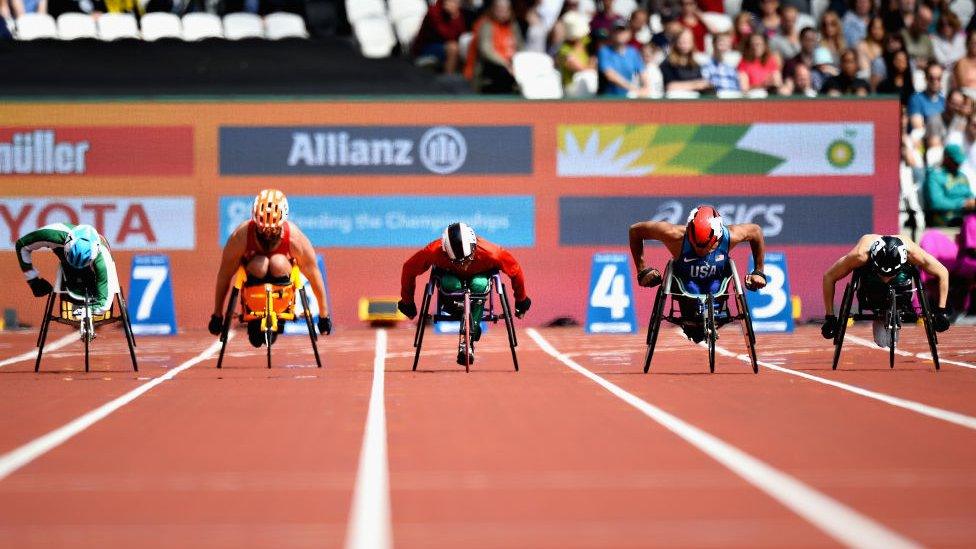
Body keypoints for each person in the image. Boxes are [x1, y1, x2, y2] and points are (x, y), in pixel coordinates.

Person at [210, 189, 332, 348]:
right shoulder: (240, 236)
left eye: (273, 229)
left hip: (282, 291)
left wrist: (324, 315)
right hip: (253, 288)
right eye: (262, 228)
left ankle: (279, 318)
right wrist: (217, 314)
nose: (267, 233)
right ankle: (255, 320)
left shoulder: (295, 238)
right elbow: (224, 275)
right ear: (255, 220)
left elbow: (314, 274)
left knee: (278, 261)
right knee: (260, 264)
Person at [628, 205, 767, 342]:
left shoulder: (729, 236)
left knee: (714, 287)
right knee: (692, 288)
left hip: (717, 286)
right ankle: (695, 323)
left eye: (705, 246)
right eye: (695, 244)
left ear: (717, 237)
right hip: (686, 287)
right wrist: (642, 271)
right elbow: (635, 231)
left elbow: (756, 231)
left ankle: (712, 317)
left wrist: (759, 271)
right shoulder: (674, 234)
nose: (700, 251)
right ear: (689, 232)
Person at [397, 222, 531, 365]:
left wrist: (521, 300)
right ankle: (460, 314)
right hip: (450, 279)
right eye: (457, 261)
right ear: (445, 251)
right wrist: (407, 301)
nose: (463, 265)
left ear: (474, 247)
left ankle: (471, 332)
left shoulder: (492, 253)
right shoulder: (433, 251)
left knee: (479, 284)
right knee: (451, 284)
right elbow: (409, 268)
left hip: (478, 277)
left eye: (467, 259)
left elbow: (515, 270)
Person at [821, 234, 952, 347]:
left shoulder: (913, 253)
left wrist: (941, 311)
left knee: (885, 341)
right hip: (871, 288)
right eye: (882, 274)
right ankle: (879, 314)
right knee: (882, 341)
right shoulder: (860, 255)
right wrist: (830, 317)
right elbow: (829, 276)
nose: (886, 279)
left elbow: (943, 272)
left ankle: (893, 305)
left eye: (890, 275)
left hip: (901, 288)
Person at [15, 223, 113, 317]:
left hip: (93, 271)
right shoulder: (52, 234)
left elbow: (104, 304)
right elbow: (22, 245)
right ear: (67, 243)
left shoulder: (103, 256)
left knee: (103, 287)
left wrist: (87, 310)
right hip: (67, 268)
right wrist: (33, 279)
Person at [466, 0, 524, 94]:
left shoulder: (513, 26)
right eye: (499, 10)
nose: (503, 13)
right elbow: (486, 51)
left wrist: (516, 63)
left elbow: (521, 47)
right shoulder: (486, 25)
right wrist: (505, 64)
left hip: (513, 64)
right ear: (493, 10)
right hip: (492, 67)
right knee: (502, 72)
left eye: (505, 10)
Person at [924, 143, 976, 226]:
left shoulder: (962, 176)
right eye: (955, 161)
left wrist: (972, 202)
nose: (958, 164)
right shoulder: (935, 176)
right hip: (945, 221)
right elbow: (936, 203)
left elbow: (970, 196)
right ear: (946, 158)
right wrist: (963, 204)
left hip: (966, 220)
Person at [412, 0, 468, 74]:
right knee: (453, 48)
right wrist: (454, 17)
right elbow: (445, 35)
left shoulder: (457, 13)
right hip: (426, 47)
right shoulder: (434, 11)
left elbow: (462, 35)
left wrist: (456, 17)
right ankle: (448, 78)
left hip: (444, 45)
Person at [598, 17, 648, 96]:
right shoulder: (604, 51)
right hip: (608, 97)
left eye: (623, 31)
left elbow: (643, 73)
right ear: (612, 33)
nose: (619, 34)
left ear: (629, 33)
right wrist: (633, 89)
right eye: (616, 31)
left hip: (628, 95)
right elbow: (610, 75)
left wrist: (646, 88)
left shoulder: (633, 52)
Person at [661, 27, 712, 94]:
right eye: (682, 40)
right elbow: (670, 87)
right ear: (675, 41)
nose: (685, 43)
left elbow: (702, 84)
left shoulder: (695, 64)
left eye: (688, 40)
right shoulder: (668, 63)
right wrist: (695, 85)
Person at [908, 62, 946, 131]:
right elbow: (918, 129)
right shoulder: (916, 99)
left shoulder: (944, 101)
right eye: (931, 78)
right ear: (926, 78)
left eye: (939, 78)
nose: (935, 82)